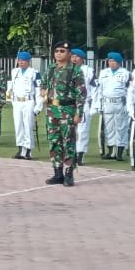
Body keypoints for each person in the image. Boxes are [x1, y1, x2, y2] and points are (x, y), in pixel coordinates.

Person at [42, 42, 87, 187]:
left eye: (62, 51)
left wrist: (79, 113)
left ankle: (69, 173)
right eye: (56, 51)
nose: (58, 53)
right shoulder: (51, 68)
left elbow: (81, 94)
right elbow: (43, 84)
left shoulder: (75, 70)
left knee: (68, 142)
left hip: (67, 110)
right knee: (54, 141)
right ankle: (57, 173)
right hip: (52, 110)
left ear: (69, 54)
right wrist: (43, 92)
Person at [6, 51, 41, 160]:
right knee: (18, 126)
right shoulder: (15, 72)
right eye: (19, 60)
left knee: (28, 126)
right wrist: (11, 99)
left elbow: (38, 91)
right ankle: (20, 149)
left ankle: (28, 150)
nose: (20, 62)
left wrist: (38, 106)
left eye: (23, 60)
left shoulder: (34, 73)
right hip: (17, 102)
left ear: (28, 61)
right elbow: (12, 86)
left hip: (28, 101)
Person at [95, 52, 131, 160]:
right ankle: (111, 152)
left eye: (114, 61)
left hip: (120, 103)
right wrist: (99, 104)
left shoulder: (125, 73)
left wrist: (129, 105)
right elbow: (99, 89)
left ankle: (119, 152)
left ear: (119, 62)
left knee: (121, 127)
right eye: (110, 61)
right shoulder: (103, 72)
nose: (111, 63)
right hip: (107, 103)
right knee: (109, 128)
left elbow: (130, 90)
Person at [68, 48, 94, 165]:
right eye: (72, 56)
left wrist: (94, 106)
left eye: (77, 56)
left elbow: (95, 89)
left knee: (83, 131)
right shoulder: (66, 69)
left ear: (82, 59)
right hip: (69, 104)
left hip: (83, 103)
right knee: (69, 130)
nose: (74, 58)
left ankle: (80, 154)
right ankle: (71, 153)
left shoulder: (89, 71)